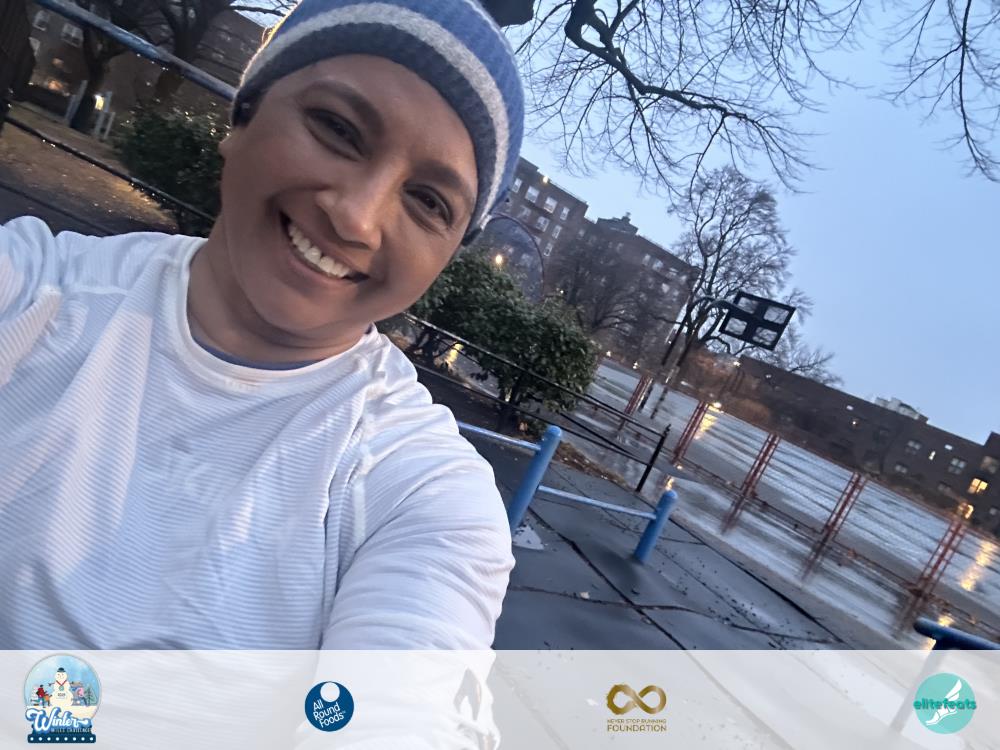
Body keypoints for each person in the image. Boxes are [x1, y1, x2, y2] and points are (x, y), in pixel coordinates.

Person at [0, 0, 524, 650]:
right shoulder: (34, 288)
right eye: (338, 128)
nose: (357, 218)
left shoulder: (424, 491)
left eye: (428, 201)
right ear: (243, 114)